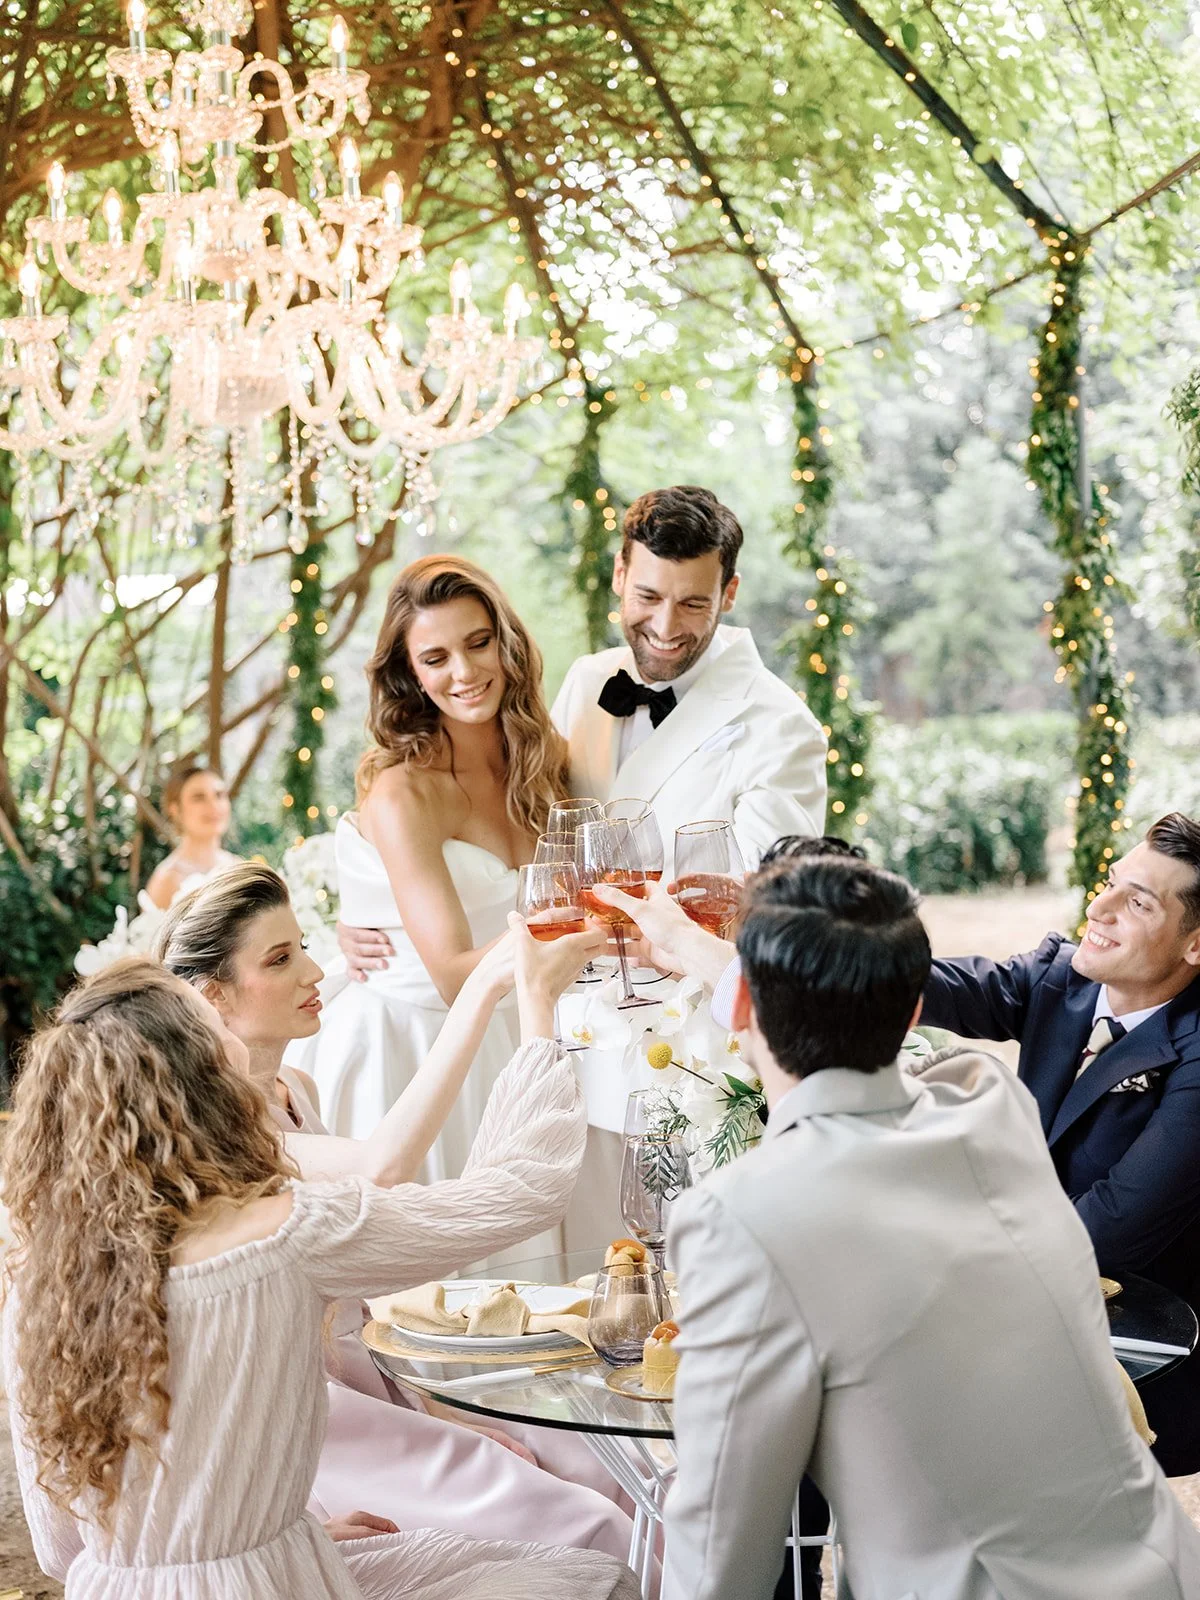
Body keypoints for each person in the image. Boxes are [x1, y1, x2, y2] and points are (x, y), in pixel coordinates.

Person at [3, 956, 638, 1600]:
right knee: (598, 1577)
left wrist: (279, 1531)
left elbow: (61, 1547)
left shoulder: (41, 1283)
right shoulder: (284, 1231)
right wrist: (536, 1009)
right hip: (271, 1585)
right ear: (207, 1084)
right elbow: (519, 1191)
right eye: (213, 1029)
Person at [657, 850, 1200, 1600]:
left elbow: (718, 1557)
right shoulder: (989, 1105)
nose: (1104, 909)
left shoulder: (735, 1214)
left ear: (739, 1002)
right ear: (914, 1009)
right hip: (1166, 1568)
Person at [155, 863, 633, 1562]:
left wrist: (441, 1407)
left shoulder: (295, 1085)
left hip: (382, 1371)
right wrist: (489, 991)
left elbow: (371, 1260)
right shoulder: (223, 1134)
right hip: (314, 1416)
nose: (315, 971)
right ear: (212, 996)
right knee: (572, 1522)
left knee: (604, 1463)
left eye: (306, 946)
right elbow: (385, 1167)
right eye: (281, 958)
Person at [919, 810, 1200, 1476]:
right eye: (1110, 883)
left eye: (1136, 903)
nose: (1098, 909)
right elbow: (930, 986)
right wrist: (786, 951)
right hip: (1027, 1301)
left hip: (1144, 1347)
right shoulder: (1065, 980)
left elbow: (1108, 1224)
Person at [290, 555, 569, 1168]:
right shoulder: (404, 793)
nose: (465, 672)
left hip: (516, 1026)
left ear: (507, 645)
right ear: (410, 674)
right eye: (436, 658)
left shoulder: (545, 761)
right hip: (412, 1047)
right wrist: (586, 924)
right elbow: (448, 976)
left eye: (479, 643)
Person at [549, 484, 827, 867]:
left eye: (692, 603)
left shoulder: (784, 728)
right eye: (648, 597)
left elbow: (765, 907)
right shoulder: (586, 679)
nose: (665, 628)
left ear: (729, 593)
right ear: (619, 575)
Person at [145, 764, 239, 909]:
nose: (213, 805)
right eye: (199, 798)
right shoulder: (166, 881)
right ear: (175, 810)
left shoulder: (238, 865)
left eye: (219, 795)